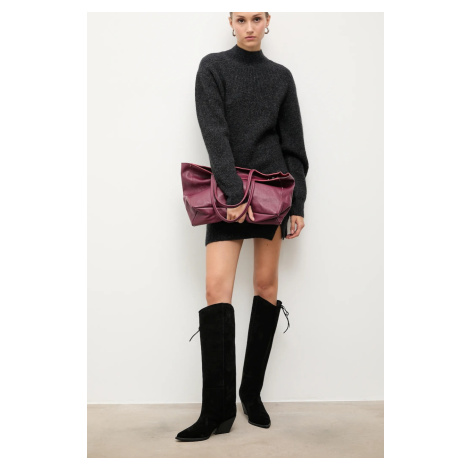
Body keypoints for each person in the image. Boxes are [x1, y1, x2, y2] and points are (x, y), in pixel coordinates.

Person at [176, 12, 309, 442]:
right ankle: (216, 410)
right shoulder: (213, 67)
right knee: (216, 289)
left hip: (273, 194)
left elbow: (293, 146)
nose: (249, 27)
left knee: (265, 287)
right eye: (240, 19)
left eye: (256, 18)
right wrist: (233, 194)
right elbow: (214, 133)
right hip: (229, 197)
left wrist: (297, 203)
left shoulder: (281, 77)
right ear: (230, 22)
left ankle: (250, 394)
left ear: (268, 21)